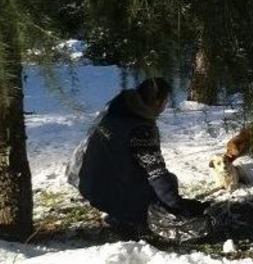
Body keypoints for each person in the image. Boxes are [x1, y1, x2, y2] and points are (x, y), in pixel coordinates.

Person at [66, 77, 209, 240]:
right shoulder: (140, 129)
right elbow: (156, 173)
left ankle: (120, 212)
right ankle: (128, 220)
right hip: (107, 191)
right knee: (167, 184)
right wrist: (176, 205)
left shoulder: (117, 110)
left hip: (87, 182)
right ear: (156, 102)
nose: (165, 106)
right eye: (165, 101)